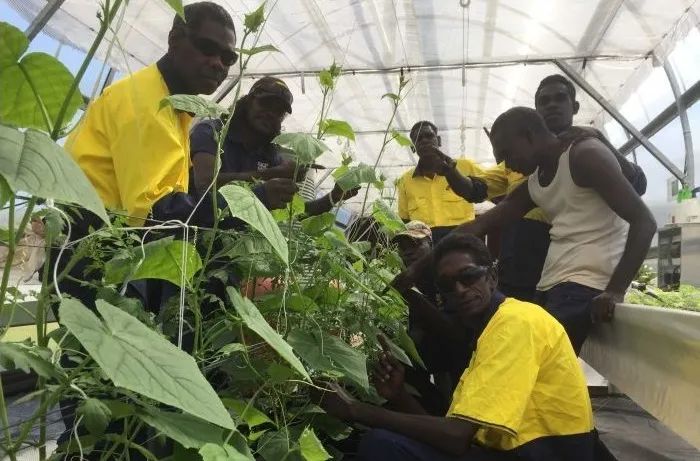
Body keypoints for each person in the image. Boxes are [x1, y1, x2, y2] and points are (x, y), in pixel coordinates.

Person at [52, 3, 237, 458]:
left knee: (119, 398)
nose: (218, 64)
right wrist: (241, 209)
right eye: (207, 49)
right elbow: (160, 211)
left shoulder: (179, 110)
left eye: (228, 59)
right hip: (91, 258)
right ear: (175, 41)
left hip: (120, 256)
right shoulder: (146, 105)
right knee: (98, 403)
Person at [322, 233, 596, 461]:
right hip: (522, 453)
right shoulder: (489, 329)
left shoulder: (515, 322)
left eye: (469, 276)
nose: (461, 289)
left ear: (492, 276)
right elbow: (456, 435)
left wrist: (355, 409)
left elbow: (456, 438)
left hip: (548, 455)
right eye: (447, 284)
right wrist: (398, 397)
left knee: (382, 444)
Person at [456, 107, 656, 355]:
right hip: (551, 284)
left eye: (507, 154)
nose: (507, 165)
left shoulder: (585, 155)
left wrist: (615, 290)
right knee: (535, 364)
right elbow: (482, 224)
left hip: (584, 284)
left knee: (539, 364)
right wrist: (420, 266)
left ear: (529, 136)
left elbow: (644, 221)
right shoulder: (536, 181)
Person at [479, 75, 647, 302]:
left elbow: (638, 187)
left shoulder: (586, 150)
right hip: (542, 263)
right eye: (544, 101)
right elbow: (483, 193)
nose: (552, 106)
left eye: (560, 99)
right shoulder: (527, 164)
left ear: (574, 106)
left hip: (582, 271)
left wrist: (600, 139)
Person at [190, 76, 358, 214]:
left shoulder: (269, 155)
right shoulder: (211, 131)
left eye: (278, 112)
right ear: (248, 101)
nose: (270, 114)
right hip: (194, 230)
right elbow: (205, 184)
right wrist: (271, 174)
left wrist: (334, 196)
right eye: (265, 104)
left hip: (236, 243)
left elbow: (295, 215)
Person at [397, 121, 488, 244]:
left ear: (438, 140)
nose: (424, 141)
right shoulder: (405, 180)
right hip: (426, 243)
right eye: (418, 139)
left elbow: (494, 191)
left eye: (429, 136)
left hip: (463, 241)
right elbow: (405, 221)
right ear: (413, 147)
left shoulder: (464, 167)